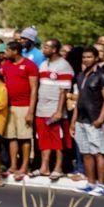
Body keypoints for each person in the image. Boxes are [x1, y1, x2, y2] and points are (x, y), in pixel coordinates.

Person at [71, 47, 104, 196]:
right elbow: (79, 100)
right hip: (81, 120)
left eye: (89, 57)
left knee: (99, 153)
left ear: (96, 58)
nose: (86, 59)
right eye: (84, 57)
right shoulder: (81, 76)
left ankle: (101, 186)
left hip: (94, 120)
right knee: (86, 153)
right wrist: (73, 121)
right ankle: (90, 183)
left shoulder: (103, 76)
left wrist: (101, 119)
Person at [34, 39, 73, 179]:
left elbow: (63, 91)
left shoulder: (63, 66)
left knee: (58, 141)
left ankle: (58, 167)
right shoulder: (43, 64)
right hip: (41, 108)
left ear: (54, 49)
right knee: (43, 139)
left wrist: (58, 111)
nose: (43, 50)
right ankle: (44, 167)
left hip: (55, 109)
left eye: (46, 47)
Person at [0, 41, 39, 181]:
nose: (5, 53)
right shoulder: (6, 65)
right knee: (11, 137)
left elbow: (34, 89)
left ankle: (24, 166)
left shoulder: (30, 65)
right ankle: (13, 165)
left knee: (25, 137)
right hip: (9, 106)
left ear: (15, 51)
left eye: (8, 51)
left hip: (24, 106)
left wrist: (30, 111)